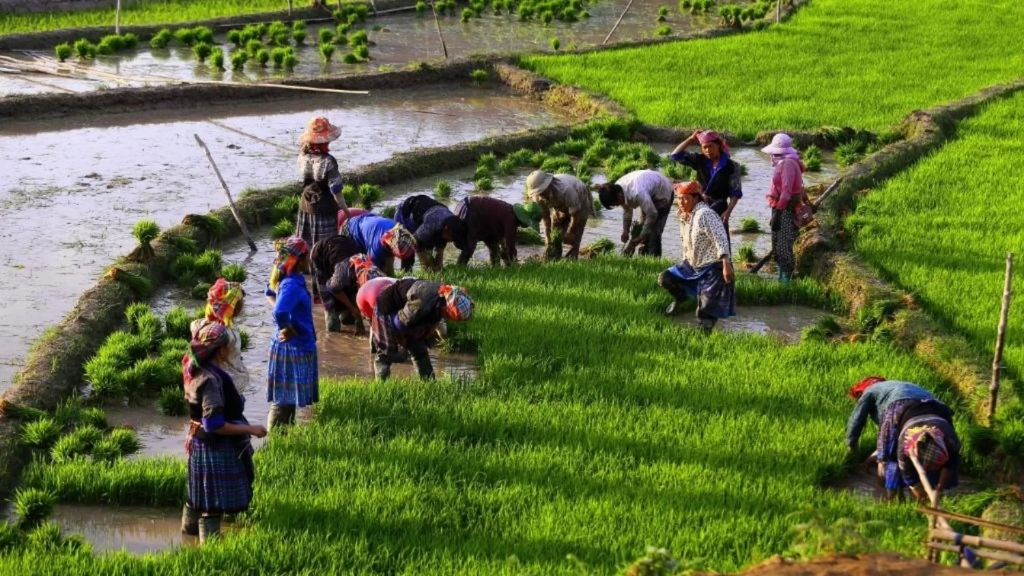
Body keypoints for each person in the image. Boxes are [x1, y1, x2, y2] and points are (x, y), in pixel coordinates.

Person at [179, 321, 267, 544]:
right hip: (214, 445)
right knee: (212, 504)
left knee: (197, 494)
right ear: (220, 350)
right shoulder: (211, 380)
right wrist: (251, 429)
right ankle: (211, 552)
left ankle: (188, 539)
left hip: (198, 441)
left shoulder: (194, 367)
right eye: (228, 345)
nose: (231, 349)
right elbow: (214, 423)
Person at [358, 277, 474, 380]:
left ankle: (428, 383)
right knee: (386, 351)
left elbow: (434, 320)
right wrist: (403, 341)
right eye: (449, 316)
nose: (449, 318)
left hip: (409, 313)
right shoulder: (421, 302)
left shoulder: (447, 296)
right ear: (446, 307)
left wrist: (425, 335)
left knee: (419, 349)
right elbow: (399, 324)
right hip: (388, 308)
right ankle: (381, 383)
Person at [657, 181, 735, 332]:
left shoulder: (705, 214)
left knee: (704, 311)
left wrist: (726, 262)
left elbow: (720, 237)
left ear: (695, 198)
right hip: (692, 265)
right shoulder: (685, 215)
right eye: (679, 198)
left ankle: (703, 339)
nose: (681, 202)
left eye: (685, 198)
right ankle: (681, 297)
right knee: (665, 278)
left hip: (712, 266)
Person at [264, 237, 318, 430]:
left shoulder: (287, 278)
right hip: (292, 348)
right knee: (284, 397)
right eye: (307, 257)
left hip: (292, 345)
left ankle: (285, 433)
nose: (309, 260)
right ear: (300, 259)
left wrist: (285, 320)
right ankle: (276, 437)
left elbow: (270, 294)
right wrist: (286, 327)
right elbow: (279, 310)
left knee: (287, 396)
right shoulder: (292, 285)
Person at [875, 393, 961, 502]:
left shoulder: (951, 441)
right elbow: (908, 475)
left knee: (943, 478)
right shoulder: (904, 446)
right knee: (891, 459)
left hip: (938, 409)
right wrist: (921, 494)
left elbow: (951, 465)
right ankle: (894, 494)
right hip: (903, 410)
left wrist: (939, 489)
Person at [296, 117, 351, 269]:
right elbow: (336, 191)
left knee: (306, 242)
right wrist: (346, 212)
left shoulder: (302, 156)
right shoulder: (328, 161)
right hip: (324, 210)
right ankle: (323, 273)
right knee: (326, 246)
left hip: (306, 205)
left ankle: (306, 268)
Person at [310, 234, 383, 334]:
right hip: (320, 255)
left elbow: (360, 293)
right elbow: (331, 287)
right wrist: (352, 308)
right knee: (332, 327)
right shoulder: (343, 274)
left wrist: (359, 316)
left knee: (347, 319)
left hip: (343, 247)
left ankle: (347, 311)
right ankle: (332, 313)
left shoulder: (370, 270)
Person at [669, 130, 744, 225]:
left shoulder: (732, 165)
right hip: (698, 206)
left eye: (711, 146)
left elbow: (735, 193)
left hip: (719, 208)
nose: (708, 150)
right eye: (704, 147)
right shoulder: (699, 160)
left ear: (718, 146)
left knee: (718, 237)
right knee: (696, 236)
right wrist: (691, 139)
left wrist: (728, 212)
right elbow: (675, 155)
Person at [845, 376, 936, 452]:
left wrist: (851, 445)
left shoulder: (869, 391)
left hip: (902, 405)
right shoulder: (900, 384)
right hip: (935, 407)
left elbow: (856, 419)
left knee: (896, 451)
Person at [596, 169, 674, 257]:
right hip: (648, 190)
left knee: (654, 233)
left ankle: (653, 261)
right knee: (642, 228)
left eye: (616, 203)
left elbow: (652, 214)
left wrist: (639, 239)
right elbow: (627, 210)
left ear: (619, 194)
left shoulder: (638, 192)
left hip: (662, 192)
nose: (618, 205)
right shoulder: (617, 189)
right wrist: (625, 231)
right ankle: (643, 258)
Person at [761, 133, 807, 282]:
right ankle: (781, 279)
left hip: (785, 209)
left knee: (783, 246)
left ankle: (786, 283)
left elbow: (787, 192)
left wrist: (778, 214)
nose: (771, 157)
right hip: (781, 207)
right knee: (779, 245)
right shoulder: (788, 161)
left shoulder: (787, 164)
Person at [526, 170, 597, 260]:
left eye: (541, 191)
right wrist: (547, 237)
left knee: (576, 233)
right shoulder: (537, 197)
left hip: (580, 199)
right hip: (559, 203)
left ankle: (573, 257)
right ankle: (555, 257)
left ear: (547, 185)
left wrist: (570, 232)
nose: (540, 195)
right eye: (537, 193)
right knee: (555, 232)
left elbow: (575, 214)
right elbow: (546, 217)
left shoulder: (565, 190)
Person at [192, 278, 249, 390]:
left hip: (222, 384)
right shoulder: (223, 333)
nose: (244, 304)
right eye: (240, 301)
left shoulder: (201, 324)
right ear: (233, 307)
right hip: (227, 387)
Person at [453, 196, 542, 267]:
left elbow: (501, 239)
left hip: (483, 219)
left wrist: (505, 254)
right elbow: (510, 246)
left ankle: (495, 269)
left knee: (494, 247)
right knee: (470, 247)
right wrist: (514, 263)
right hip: (470, 210)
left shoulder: (508, 211)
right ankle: (459, 268)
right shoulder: (511, 219)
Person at [394, 194, 465, 272]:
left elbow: (441, 244)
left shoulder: (451, 221)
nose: (450, 242)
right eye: (450, 239)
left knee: (429, 246)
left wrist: (439, 263)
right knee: (408, 251)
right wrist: (425, 262)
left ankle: (431, 270)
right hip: (405, 214)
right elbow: (414, 240)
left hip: (423, 214)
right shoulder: (433, 223)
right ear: (446, 230)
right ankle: (405, 274)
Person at [339, 212, 416, 276]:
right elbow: (374, 271)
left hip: (368, 223)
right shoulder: (376, 248)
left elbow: (407, 261)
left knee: (388, 266)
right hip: (350, 231)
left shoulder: (401, 232)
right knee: (361, 270)